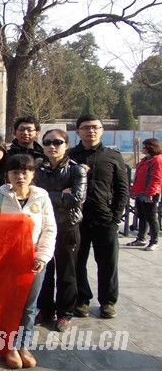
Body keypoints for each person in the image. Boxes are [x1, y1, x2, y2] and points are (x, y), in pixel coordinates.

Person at [0, 154, 56, 369]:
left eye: (25, 171)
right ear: (7, 175)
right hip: (7, 261)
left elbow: (49, 228)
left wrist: (42, 256)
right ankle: (9, 346)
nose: (20, 176)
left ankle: (23, 345)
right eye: (15, 172)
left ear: (32, 173)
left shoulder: (42, 197)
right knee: (9, 304)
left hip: (34, 260)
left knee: (29, 306)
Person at [69, 115, 128, 319]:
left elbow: (122, 189)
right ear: (78, 131)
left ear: (102, 130)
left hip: (105, 219)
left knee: (108, 263)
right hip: (77, 220)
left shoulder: (113, 156)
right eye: (86, 128)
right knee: (77, 262)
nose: (91, 131)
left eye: (95, 127)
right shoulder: (70, 156)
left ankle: (108, 302)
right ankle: (82, 299)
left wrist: (115, 217)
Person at [34, 129, 87, 332]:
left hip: (67, 226)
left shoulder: (76, 170)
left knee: (67, 272)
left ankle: (65, 313)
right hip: (44, 227)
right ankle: (46, 310)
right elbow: (32, 195)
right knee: (44, 270)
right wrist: (60, 194)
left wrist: (46, 195)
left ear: (66, 145)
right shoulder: (38, 169)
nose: (52, 146)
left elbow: (76, 198)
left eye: (57, 142)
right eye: (47, 143)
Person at [128, 138, 162, 251]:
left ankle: (154, 241)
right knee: (142, 216)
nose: (142, 149)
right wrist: (134, 190)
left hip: (150, 193)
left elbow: (156, 178)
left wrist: (150, 193)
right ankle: (141, 238)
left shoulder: (157, 160)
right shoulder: (145, 160)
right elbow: (139, 176)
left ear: (150, 147)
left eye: (144, 147)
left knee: (151, 217)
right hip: (140, 191)